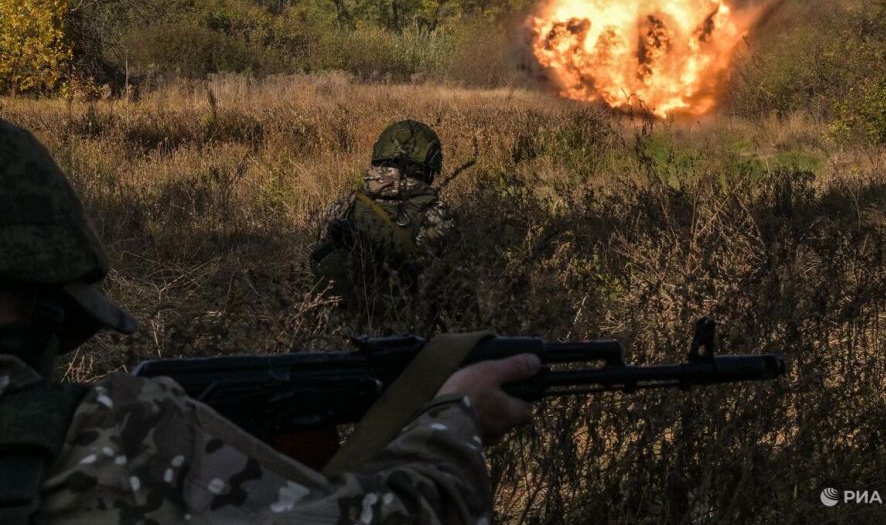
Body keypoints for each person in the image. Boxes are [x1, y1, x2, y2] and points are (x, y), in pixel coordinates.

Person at [0, 118, 539, 524]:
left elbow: (319, 262)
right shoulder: (114, 440)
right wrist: (455, 423)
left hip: (337, 315)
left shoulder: (347, 204)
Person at [310, 120, 456, 315]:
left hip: (338, 327)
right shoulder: (438, 213)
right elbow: (437, 280)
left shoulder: (344, 206)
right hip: (404, 331)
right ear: (428, 166)